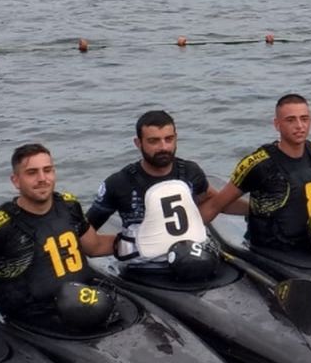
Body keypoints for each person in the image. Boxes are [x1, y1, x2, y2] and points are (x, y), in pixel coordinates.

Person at [0, 144, 117, 322]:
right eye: (32, 173)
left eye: (48, 170)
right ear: (15, 180)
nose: (42, 178)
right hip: (35, 318)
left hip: (83, 301)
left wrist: (137, 242)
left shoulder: (68, 205)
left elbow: (95, 246)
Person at [200, 93, 311, 253]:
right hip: (274, 248)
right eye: (291, 120)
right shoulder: (258, 164)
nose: (300, 126)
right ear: (277, 124)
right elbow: (218, 205)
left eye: (304, 119)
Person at [81, 110, 224, 266]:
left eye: (168, 139)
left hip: (192, 260)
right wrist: (126, 245)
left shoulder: (190, 172)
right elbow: (86, 231)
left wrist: (252, 207)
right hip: (144, 268)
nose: (163, 147)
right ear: (138, 143)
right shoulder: (119, 183)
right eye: (154, 141)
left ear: (176, 138)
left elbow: (215, 200)